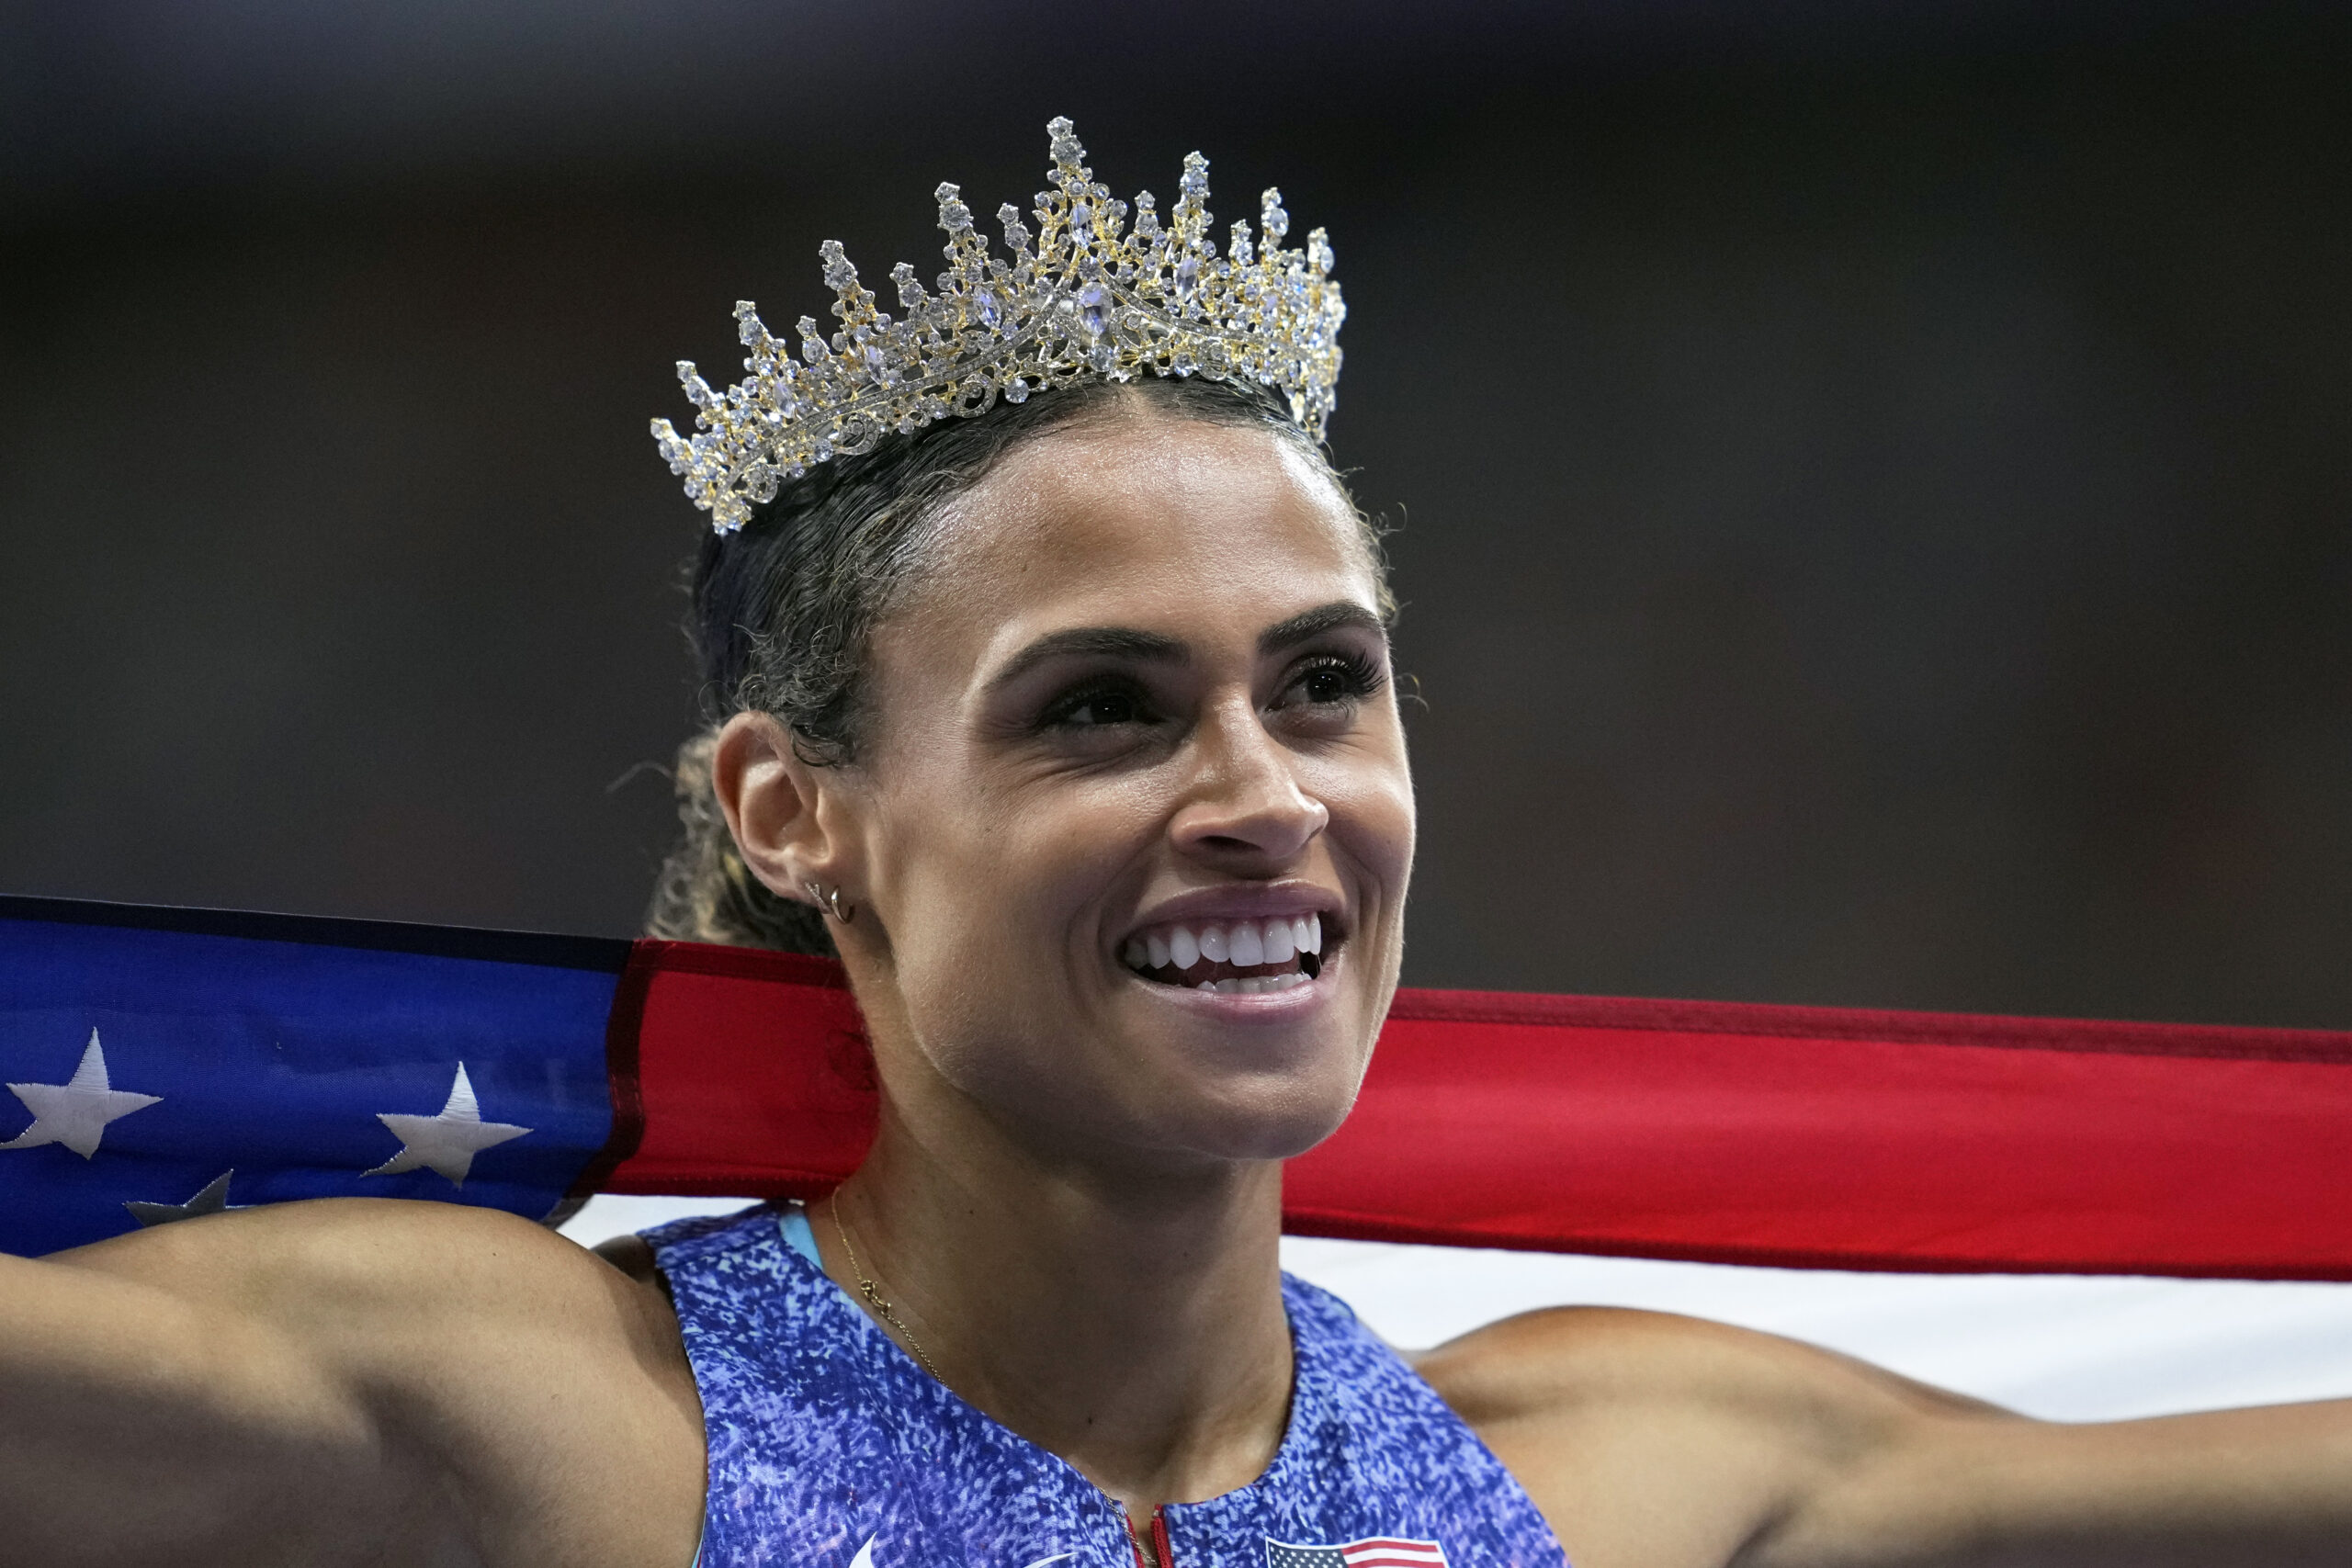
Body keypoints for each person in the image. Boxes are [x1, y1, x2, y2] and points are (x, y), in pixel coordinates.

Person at [3, 120, 2348, 1568]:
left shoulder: (1622, 1458)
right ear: (793, 811)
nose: (1261, 790)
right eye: (1100, 708)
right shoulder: (541, 1417)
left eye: (1321, 678)